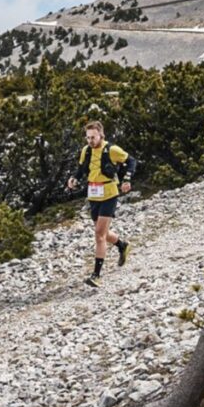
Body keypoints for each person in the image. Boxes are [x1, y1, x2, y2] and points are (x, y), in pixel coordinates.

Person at [67, 120, 137, 288]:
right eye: (88, 137)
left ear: (101, 135)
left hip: (109, 194)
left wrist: (127, 179)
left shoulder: (111, 149)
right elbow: (82, 168)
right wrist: (74, 178)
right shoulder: (86, 151)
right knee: (102, 232)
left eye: (93, 137)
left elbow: (132, 161)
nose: (90, 140)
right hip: (93, 194)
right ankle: (122, 245)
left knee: (99, 234)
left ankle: (96, 275)